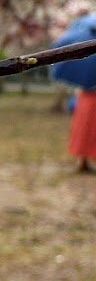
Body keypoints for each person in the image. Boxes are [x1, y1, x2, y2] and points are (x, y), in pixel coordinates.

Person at [51, 14, 96, 172]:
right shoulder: (86, 47)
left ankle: (82, 160)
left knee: (84, 130)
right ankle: (83, 160)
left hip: (86, 95)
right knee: (86, 130)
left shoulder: (80, 40)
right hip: (88, 96)